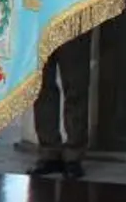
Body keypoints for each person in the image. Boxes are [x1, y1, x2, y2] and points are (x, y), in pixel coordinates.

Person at [29, 34, 92, 180]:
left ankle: (73, 155)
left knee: (76, 85)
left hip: (73, 17)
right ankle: (48, 153)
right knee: (40, 86)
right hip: (39, 18)